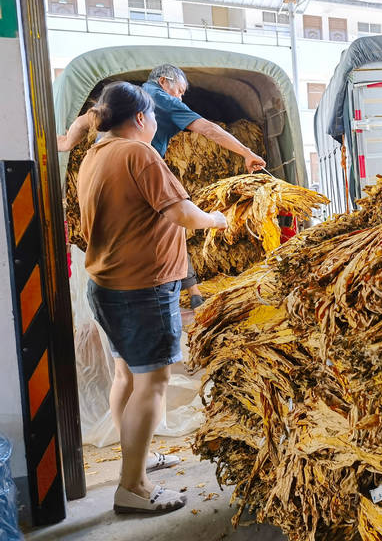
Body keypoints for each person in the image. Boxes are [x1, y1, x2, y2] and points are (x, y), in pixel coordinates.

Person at [77, 81, 228, 514]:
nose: (158, 123)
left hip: (108, 284)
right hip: (142, 289)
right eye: (156, 116)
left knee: (127, 376)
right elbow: (180, 213)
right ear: (141, 117)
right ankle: (133, 488)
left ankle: (139, 459)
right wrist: (217, 219)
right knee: (155, 381)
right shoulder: (138, 153)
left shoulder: (94, 155)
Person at [60, 64, 266, 308]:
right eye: (179, 91)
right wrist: (246, 153)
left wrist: (65, 143)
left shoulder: (116, 116)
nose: (180, 98)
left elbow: (85, 120)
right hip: (142, 283)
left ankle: (193, 291)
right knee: (168, 226)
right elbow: (208, 130)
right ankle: (187, 292)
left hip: (106, 282)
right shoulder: (149, 127)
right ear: (163, 83)